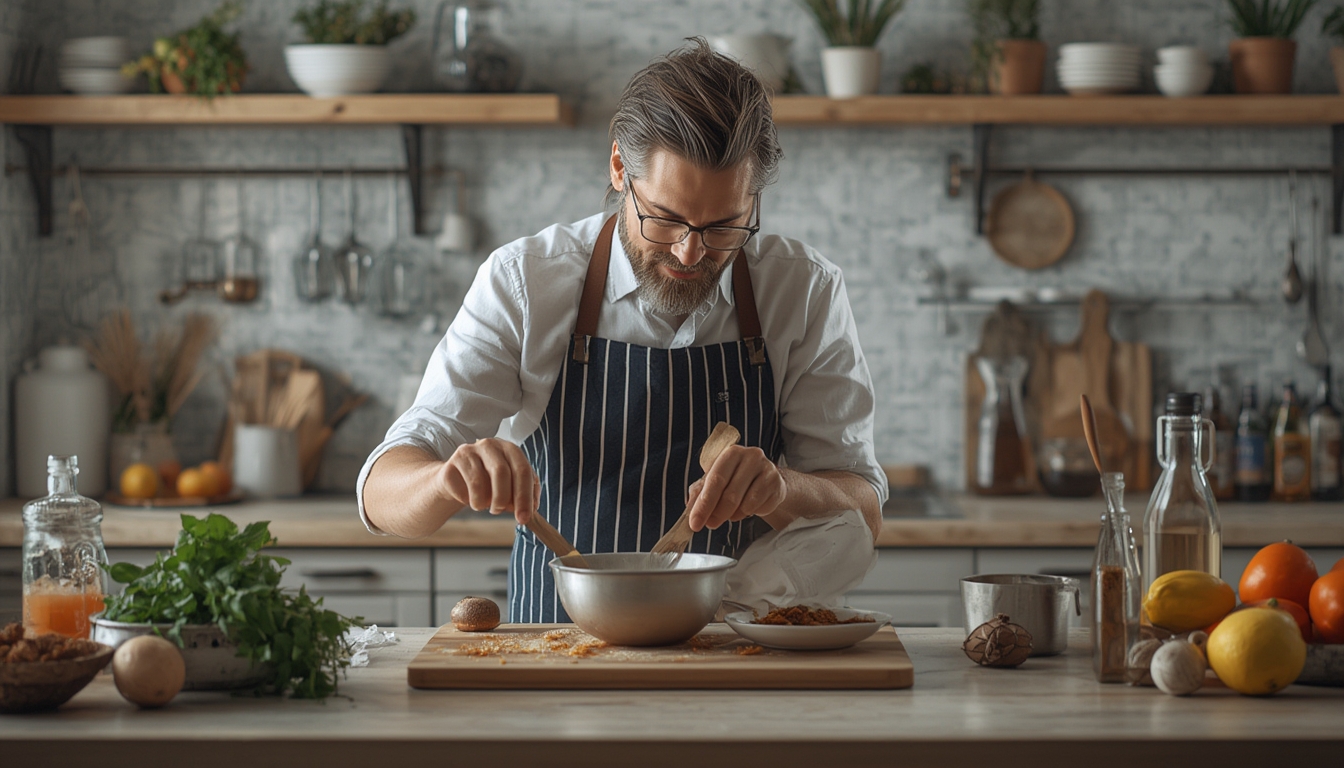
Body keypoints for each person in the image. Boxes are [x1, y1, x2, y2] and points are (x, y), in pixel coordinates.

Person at [359, 39, 887, 622]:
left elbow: (862, 511)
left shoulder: (803, 290)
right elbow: (383, 493)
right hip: (556, 656)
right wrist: (446, 480)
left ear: (753, 199)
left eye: (725, 226)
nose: (690, 251)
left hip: (737, 657)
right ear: (619, 170)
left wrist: (783, 491)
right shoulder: (525, 281)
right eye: (665, 219)